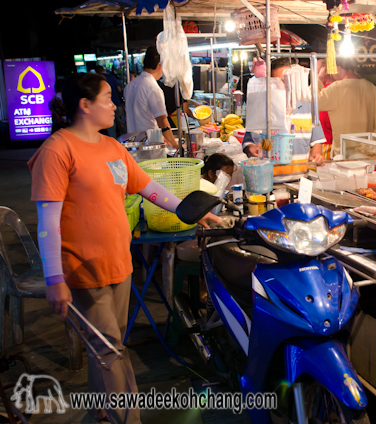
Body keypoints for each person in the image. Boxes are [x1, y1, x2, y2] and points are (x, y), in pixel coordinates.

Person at [28, 73, 219, 423]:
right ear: (85, 106)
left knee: (106, 349)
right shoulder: (57, 151)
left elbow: (148, 187)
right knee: (111, 351)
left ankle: (101, 414)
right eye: (107, 98)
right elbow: (47, 222)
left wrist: (190, 212)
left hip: (118, 263)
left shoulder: (112, 147)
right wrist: (54, 277)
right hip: (83, 269)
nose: (115, 104)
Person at [243, 58, 326, 182]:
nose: (284, 87)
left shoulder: (308, 108)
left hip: (300, 182)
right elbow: (247, 143)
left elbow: (316, 142)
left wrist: (316, 156)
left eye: (287, 82)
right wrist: (251, 149)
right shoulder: (262, 110)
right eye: (278, 83)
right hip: (268, 182)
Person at [318, 57, 376, 157]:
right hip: (367, 153)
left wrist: (318, 78)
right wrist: (375, 150)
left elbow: (311, 100)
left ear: (337, 68)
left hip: (343, 155)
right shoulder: (370, 87)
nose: (331, 75)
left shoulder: (336, 88)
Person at [124, 45, 179, 148]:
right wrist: (174, 144)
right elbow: (162, 121)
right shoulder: (153, 88)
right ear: (160, 65)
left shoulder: (130, 85)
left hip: (134, 145)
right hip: (150, 147)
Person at [96, 65, 124, 137]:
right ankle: (124, 141)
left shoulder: (97, 81)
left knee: (111, 128)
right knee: (121, 123)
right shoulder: (111, 77)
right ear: (103, 70)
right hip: (117, 103)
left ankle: (114, 142)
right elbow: (119, 89)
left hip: (104, 108)